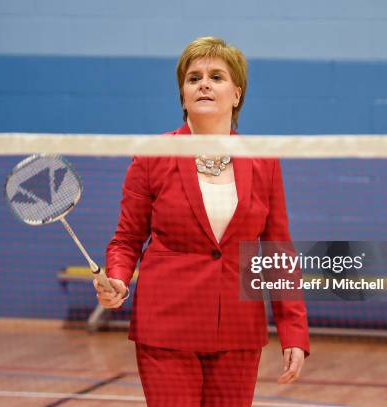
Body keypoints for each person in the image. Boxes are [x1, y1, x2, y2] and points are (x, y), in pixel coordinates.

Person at [94, 36, 309, 406]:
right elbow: (127, 239)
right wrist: (116, 277)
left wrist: (293, 331)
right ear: (183, 95)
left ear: (236, 94)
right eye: (193, 78)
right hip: (166, 327)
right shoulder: (153, 155)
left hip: (238, 332)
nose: (204, 83)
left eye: (216, 76)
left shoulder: (264, 161)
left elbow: (278, 252)